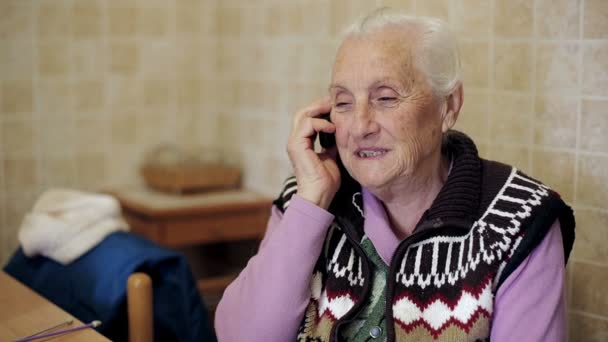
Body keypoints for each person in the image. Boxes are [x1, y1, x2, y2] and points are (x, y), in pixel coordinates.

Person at [215, 8, 575, 342]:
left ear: (448, 107)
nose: (359, 126)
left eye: (385, 98)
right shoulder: (307, 196)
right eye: (342, 102)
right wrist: (311, 201)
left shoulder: (520, 219)